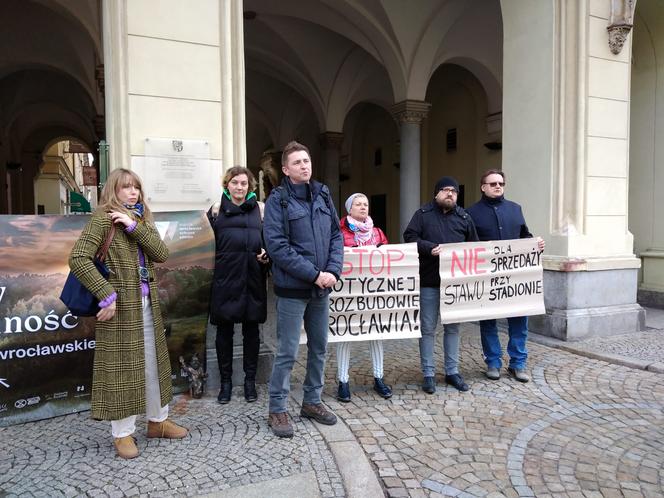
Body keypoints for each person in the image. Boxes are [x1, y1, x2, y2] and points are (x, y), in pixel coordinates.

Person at [68, 168, 187, 460]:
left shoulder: (141, 218)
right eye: (126, 187)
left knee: (153, 364)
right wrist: (105, 293)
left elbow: (161, 253)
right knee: (122, 368)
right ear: (113, 190)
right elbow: (78, 258)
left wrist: (134, 226)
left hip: (147, 305)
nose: (132, 192)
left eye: (136, 187)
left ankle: (158, 422)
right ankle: (122, 434)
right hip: (118, 308)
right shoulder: (102, 218)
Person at [263, 140, 343, 438]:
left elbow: (336, 235)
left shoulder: (322, 194)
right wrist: (314, 275)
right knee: (287, 351)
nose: (304, 166)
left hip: (322, 289)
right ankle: (278, 408)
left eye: (306, 161)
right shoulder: (278, 200)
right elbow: (277, 247)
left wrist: (332, 271)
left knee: (319, 347)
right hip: (293, 290)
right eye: (297, 163)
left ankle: (312, 401)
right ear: (285, 169)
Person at [466, 169, 545, 383]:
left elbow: (524, 237)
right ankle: (493, 362)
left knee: (519, 321)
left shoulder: (515, 209)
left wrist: (535, 245)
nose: (497, 186)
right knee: (488, 321)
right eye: (492, 184)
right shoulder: (471, 213)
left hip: (515, 278)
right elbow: (467, 245)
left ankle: (518, 364)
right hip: (487, 279)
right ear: (483, 187)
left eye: (500, 183)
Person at [404, 176, 478, 394]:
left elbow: (475, 247)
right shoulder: (422, 215)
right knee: (427, 329)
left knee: (453, 329)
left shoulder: (465, 217)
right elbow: (409, 237)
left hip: (454, 285)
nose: (450, 194)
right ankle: (428, 373)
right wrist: (428, 248)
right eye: (445, 190)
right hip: (428, 281)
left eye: (454, 191)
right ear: (436, 194)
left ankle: (452, 371)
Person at [207, 166, 269, 404]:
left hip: (252, 277)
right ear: (227, 185)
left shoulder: (261, 211)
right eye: (235, 183)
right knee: (224, 333)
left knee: (251, 333)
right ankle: (226, 383)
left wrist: (267, 257)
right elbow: (206, 246)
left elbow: (269, 242)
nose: (239, 187)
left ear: (250, 187)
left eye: (244, 183)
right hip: (225, 279)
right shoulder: (215, 210)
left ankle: (250, 382)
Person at [336, 193, 391, 402]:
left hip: (373, 290)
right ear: (349, 209)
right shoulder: (340, 233)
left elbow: (388, 259)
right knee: (345, 333)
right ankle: (343, 381)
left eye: (365, 204)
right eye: (358, 204)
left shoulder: (377, 233)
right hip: (349, 292)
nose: (362, 207)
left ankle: (379, 378)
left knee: (376, 332)